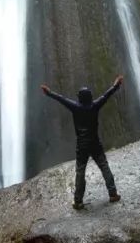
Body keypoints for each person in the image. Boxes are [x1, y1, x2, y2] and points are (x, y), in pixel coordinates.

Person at [41, 75, 124, 210]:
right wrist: (116, 85)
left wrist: (49, 93)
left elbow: (62, 99)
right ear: (90, 97)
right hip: (95, 143)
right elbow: (106, 95)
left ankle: (78, 201)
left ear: (79, 98)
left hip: (82, 146)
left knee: (80, 172)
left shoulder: (75, 107)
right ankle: (113, 194)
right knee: (104, 167)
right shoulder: (95, 105)